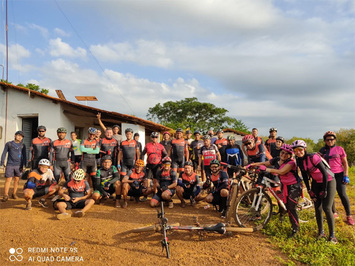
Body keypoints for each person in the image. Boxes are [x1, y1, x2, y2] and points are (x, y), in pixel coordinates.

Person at [249, 144, 302, 237]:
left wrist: (267, 169)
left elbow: (281, 172)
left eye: (287, 154)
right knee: (285, 205)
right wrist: (253, 165)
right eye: (282, 152)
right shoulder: (277, 159)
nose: (284, 155)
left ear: (290, 155)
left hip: (294, 187)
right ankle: (284, 217)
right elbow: (265, 163)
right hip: (284, 186)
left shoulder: (291, 163)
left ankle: (295, 229)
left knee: (291, 208)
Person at [292, 140, 337, 243]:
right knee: (317, 207)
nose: (298, 152)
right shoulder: (299, 161)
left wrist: (325, 190)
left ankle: (332, 235)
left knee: (326, 207)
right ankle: (321, 232)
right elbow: (304, 175)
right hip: (316, 183)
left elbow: (325, 174)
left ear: (305, 149)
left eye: (300, 149)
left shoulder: (313, 157)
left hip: (329, 181)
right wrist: (309, 190)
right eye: (295, 150)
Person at [319, 131, 354, 225]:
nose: (330, 141)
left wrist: (346, 175)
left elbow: (345, 163)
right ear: (325, 141)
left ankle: (349, 215)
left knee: (342, 194)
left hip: (339, 174)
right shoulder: (322, 150)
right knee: (330, 194)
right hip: (328, 175)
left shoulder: (340, 149)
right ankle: (334, 212)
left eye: (331, 139)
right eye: (327, 139)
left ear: (334, 140)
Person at [0, 131, 27, 201]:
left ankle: (14, 193)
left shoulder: (23, 145)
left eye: (21, 136)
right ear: (15, 136)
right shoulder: (9, 144)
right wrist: (2, 163)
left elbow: (25, 155)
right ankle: (6, 195)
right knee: (8, 180)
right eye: (18, 135)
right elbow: (4, 154)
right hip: (10, 165)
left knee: (17, 180)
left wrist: (24, 165)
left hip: (19, 165)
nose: (20, 137)